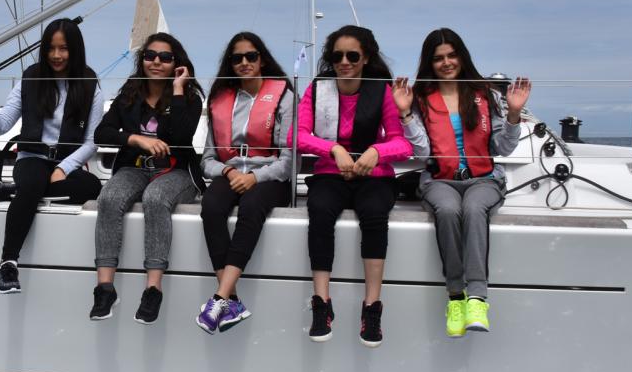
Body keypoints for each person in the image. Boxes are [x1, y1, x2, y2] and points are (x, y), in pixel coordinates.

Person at [393, 28, 531, 337]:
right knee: (447, 210)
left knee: (473, 209)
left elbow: (503, 148)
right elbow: (422, 152)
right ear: (429, 63)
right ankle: (456, 297)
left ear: (462, 57)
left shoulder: (486, 95)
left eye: (452, 55)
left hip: (484, 180)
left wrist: (514, 114)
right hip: (440, 180)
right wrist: (405, 114)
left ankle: (477, 299)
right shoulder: (420, 99)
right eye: (438, 58)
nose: (446, 63)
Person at [291, 25, 411, 348]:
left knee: (374, 213)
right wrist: (333, 149)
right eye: (337, 56)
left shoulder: (382, 91)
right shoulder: (318, 89)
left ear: (365, 58)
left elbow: (402, 143)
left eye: (352, 56)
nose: (344, 62)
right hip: (331, 172)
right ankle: (321, 303)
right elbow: (295, 135)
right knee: (319, 210)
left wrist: (377, 151)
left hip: (374, 175)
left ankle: (372, 306)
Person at [0, 18, 103, 294]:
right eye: (51, 48)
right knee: (33, 184)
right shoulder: (30, 79)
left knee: (92, 187)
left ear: (75, 50)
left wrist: (63, 168)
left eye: (64, 48)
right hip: (32, 158)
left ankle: (9, 191)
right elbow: (1, 126)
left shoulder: (90, 85)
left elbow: (92, 142)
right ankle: (8, 263)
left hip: (65, 163)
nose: (56, 55)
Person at [88, 32, 204, 324]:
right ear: (142, 60)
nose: (156, 62)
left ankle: (153, 290)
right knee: (109, 197)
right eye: (150, 56)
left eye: (165, 58)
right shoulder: (130, 94)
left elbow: (181, 137)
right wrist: (136, 139)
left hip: (176, 171)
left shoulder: (189, 98)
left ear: (176, 63)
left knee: (156, 198)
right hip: (135, 167)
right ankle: (105, 289)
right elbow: (102, 133)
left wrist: (177, 90)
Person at [195, 31, 294, 334]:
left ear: (262, 59)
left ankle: (220, 298)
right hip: (231, 173)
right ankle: (231, 301)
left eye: (251, 56)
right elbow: (207, 160)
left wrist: (255, 177)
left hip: (270, 175)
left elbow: (289, 161)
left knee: (252, 206)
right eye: (237, 58)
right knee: (211, 206)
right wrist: (229, 172)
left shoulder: (285, 97)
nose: (244, 62)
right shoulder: (220, 100)